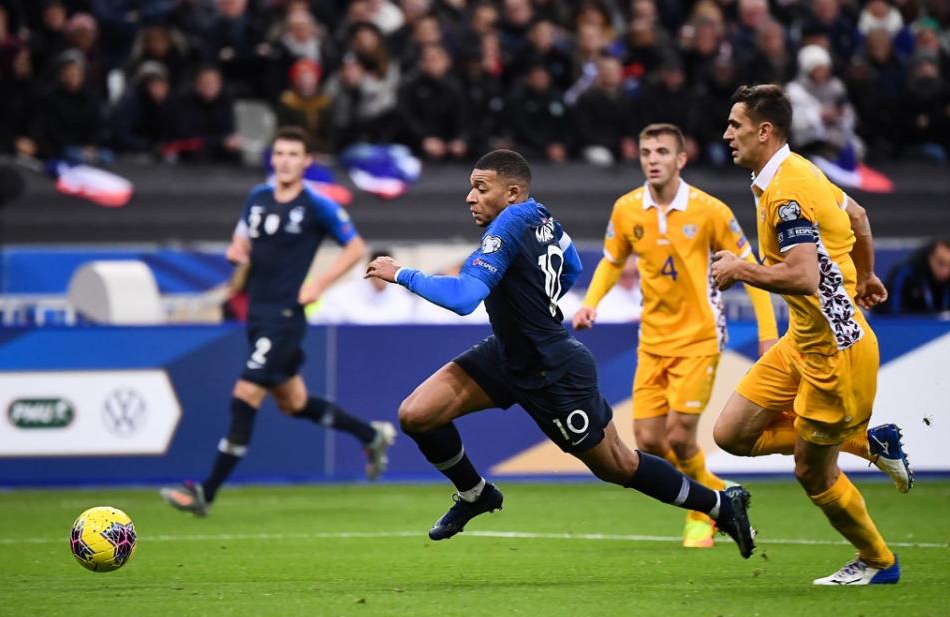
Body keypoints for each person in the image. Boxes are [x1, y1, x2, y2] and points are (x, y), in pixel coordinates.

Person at [364, 149, 757, 558]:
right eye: (471, 188)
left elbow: (465, 297)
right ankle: (475, 494)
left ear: (512, 192)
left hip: (553, 369)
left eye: (481, 188)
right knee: (417, 414)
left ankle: (720, 504)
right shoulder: (540, 214)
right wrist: (535, 306)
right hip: (508, 353)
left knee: (617, 465)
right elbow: (569, 265)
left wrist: (402, 274)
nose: (470, 197)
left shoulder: (509, 224)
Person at [712, 84, 914, 585]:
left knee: (811, 471)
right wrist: (865, 275)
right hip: (802, 340)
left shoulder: (788, 190)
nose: (726, 134)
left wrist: (742, 268)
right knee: (731, 435)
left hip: (834, 356)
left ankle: (877, 561)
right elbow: (858, 216)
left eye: (735, 125)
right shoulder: (793, 172)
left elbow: (801, 275)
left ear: (764, 131)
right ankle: (867, 443)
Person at [161, 127, 396, 516]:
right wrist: (237, 250)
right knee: (294, 403)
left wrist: (318, 284)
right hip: (258, 315)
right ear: (273, 159)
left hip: (286, 317)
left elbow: (355, 247)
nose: (285, 160)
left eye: (293, 154)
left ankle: (205, 491)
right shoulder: (257, 198)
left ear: (306, 162)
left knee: (245, 394)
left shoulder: (316, 205)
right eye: (280, 153)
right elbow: (241, 242)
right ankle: (372, 435)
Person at [572, 123, 780, 549]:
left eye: (662, 152)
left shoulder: (710, 210)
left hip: (700, 336)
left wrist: (767, 332)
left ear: (680, 160)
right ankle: (722, 495)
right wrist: (591, 301)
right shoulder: (627, 208)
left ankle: (702, 512)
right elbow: (613, 261)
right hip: (653, 339)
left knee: (681, 436)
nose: (652, 159)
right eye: (646, 151)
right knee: (647, 440)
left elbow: (751, 270)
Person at [876, 238, 950, 314]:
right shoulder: (906, 273)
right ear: (929, 257)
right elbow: (892, 311)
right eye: (941, 263)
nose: (946, 271)